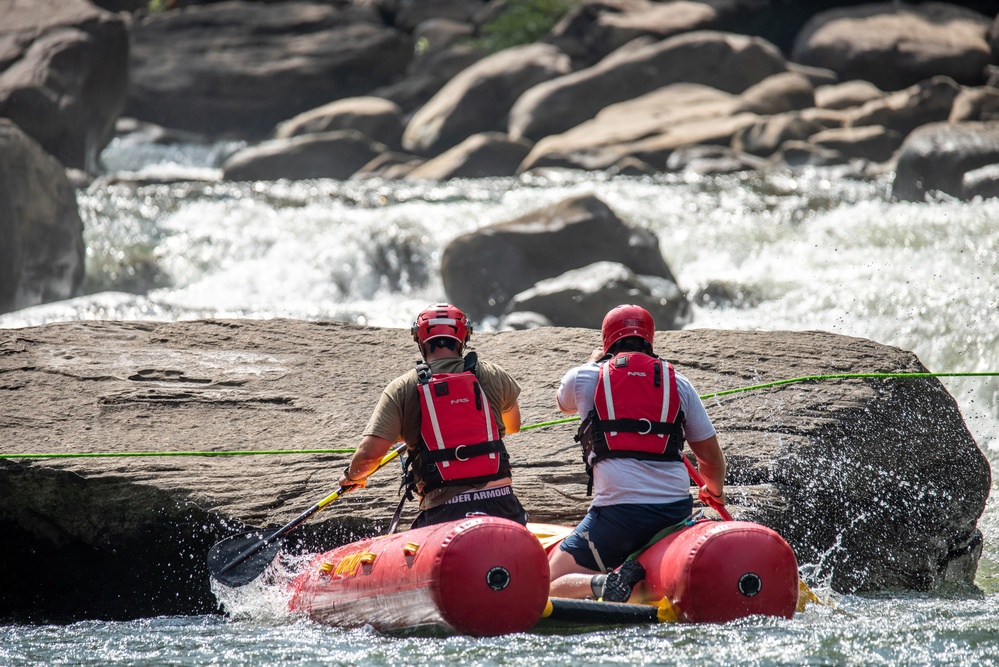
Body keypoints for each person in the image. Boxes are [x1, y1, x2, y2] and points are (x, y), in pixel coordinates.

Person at [549, 304, 727, 602]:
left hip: (617, 516)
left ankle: (604, 584)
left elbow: (563, 403)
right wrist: (714, 491)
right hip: (674, 513)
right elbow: (711, 460)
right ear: (650, 339)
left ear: (607, 340)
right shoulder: (680, 384)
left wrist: (594, 362)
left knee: (546, 582)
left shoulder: (583, 377)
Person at [338, 303, 529, 529]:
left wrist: (352, 477)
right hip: (503, 507)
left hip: (443, 515)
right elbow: (514, 425)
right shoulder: (493, 374)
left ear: (421, 342)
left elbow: (369, 457)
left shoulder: (402, 387)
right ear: (463, 339)